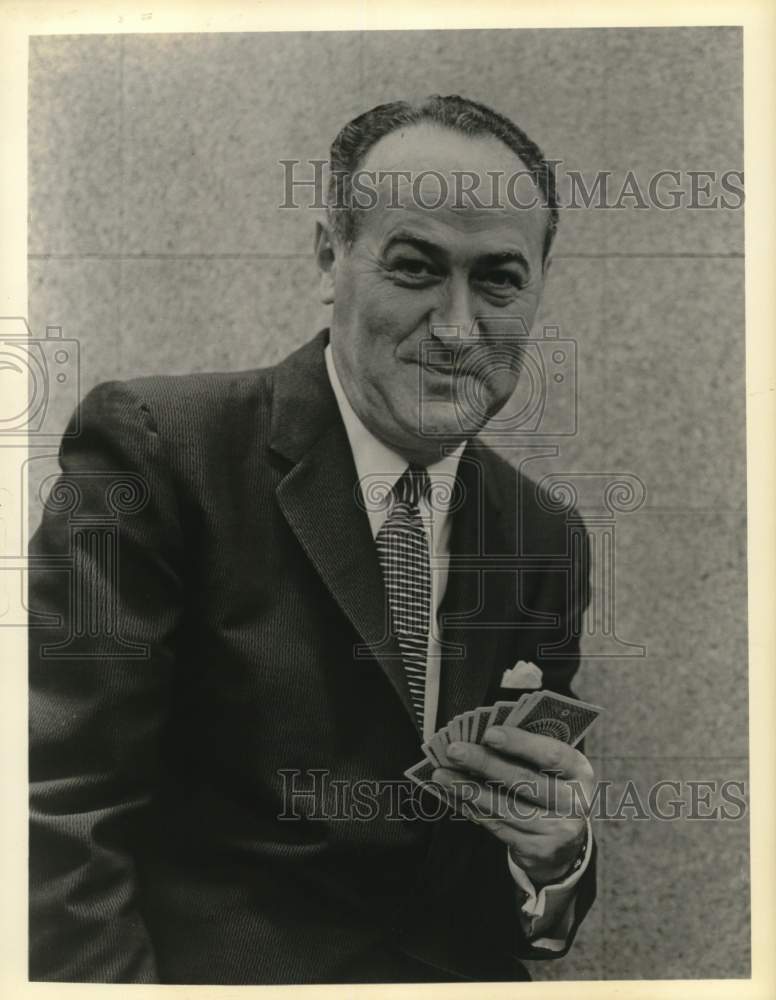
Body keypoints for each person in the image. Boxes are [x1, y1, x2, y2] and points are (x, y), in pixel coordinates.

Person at [28, 95, 596, 984]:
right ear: (330, 258)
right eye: (414, 268)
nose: (457, 329)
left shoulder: (544, 534)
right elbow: (56, 818)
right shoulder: (157, 448)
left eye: (497, 280)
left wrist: (555, 858)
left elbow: (515, 835)